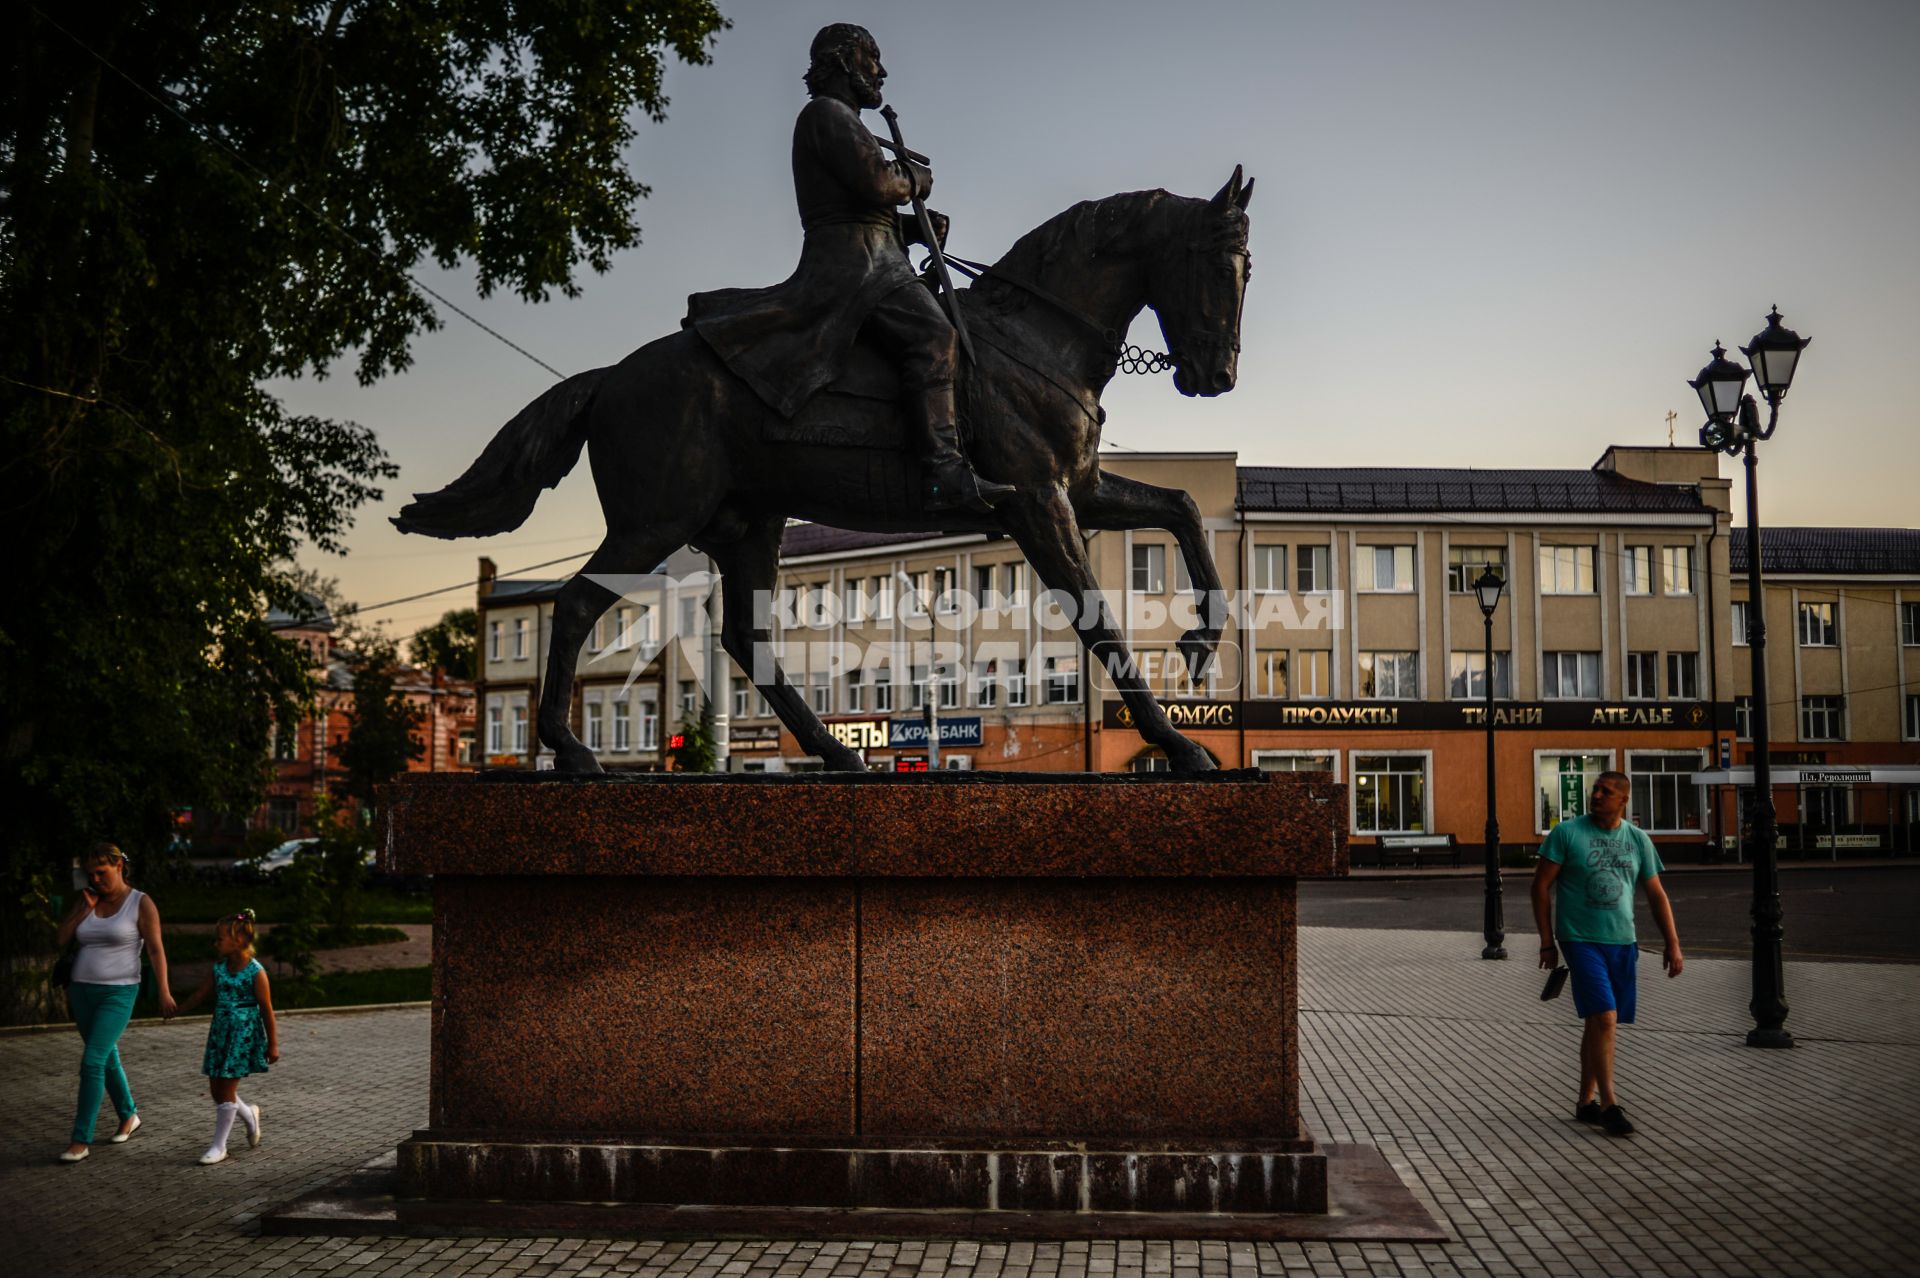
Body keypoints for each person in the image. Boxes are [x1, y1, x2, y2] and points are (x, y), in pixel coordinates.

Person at [684, 23, 1016, 514]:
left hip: (872, 257)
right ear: (842, 61)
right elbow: (877, 187)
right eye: (871, 58)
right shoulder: (826, 114)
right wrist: (915, 180)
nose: (880, 71)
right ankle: (944, 472)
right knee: (935, 337)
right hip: (855, 271)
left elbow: (867, 215)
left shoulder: (845, 121)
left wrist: (914, 230)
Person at [1532, 771, 1683, 1137]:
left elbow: (1656, 894)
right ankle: (1610, 1104)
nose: (1596, 795)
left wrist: (1673, 943)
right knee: (1606, 1017)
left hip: (1622, 941)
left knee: (1597, 1023)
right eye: (1595, 789)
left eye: (1606, 791)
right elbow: (1540, 887)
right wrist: (1548, 941)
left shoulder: (1637, 840)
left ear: (1623, 800)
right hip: (1579, 939)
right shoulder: (1567, 834)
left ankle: (1585, 1100)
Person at [55, 842, 176, 1162]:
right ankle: (129, 1114)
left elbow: (155, 950)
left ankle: (80, 1140)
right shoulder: (87, 900)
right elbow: (61, 938)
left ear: (119, 866)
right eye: (90, 874)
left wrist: (164, 991)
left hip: (119, 992)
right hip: (81, 991)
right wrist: (83, 908)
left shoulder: (140, 903)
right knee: (105, 1057)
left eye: (102, 872)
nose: (95, 879)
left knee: (92, 1061)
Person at [175, 909, 279, 1164]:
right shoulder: (218, 969)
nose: (216, 943)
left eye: (220, 938)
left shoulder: (256, 972)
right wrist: (176, 1010)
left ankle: (219, 1146)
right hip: (221, 1034)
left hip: (242, 1037)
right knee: (217, 1090)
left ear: (239, 940)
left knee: (227, 1088)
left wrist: (272, 1044)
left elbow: (266, 1009)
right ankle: (250, 1115)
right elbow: (200, 995)